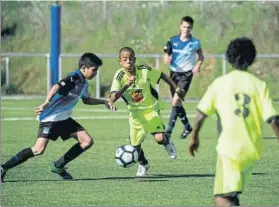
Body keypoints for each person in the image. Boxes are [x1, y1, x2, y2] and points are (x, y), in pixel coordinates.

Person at [188, 37, 279, 206]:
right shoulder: (259, 84)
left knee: (222, 198)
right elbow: (273, 119)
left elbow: (201, 114)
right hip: (252, 151)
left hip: (229, 150)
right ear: (252, 58)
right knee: (231, 194)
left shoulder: (220, 83)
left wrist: (194, 138)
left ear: (229, 58)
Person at [1, 53, 116, 182]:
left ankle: (58, 166)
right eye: (94, 70)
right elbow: (56, 86)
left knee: (87, 141)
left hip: (64, 119)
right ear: (83, 68)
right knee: (38, 149)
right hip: (51, 119)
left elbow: (86, 100)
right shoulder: (73, 78)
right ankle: (3, 167)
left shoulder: (84, 83)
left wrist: (104, 102)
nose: (95, 73)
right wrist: (46, 102)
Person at [109, 47, 185, 176]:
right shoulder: (119, 76)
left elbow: (163, 76)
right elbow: (112, 98)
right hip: (135, 114)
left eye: (131, 58)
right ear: (120, 61)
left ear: (135, 59)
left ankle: (167, 142)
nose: (129, 61)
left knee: (159, 138)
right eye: (125, 59)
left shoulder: (144, 70)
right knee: (135, 147)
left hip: (151, 109)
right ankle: (143, 164)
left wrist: (176, 88)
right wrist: (126, 85)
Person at [163, 15, 204, 139]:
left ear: (192, 28)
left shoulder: (195, 43)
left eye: (189, 27)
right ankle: (187, 126)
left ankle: (168, 130)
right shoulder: (172, 40)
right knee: (176, 103)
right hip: (173, 74)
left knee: (176, 100)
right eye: (184, 26)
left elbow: (201, 57)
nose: (186, 29)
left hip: (186, 75)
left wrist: (198, 65)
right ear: (180, 26)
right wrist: (167, 58)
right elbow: (166, 54)